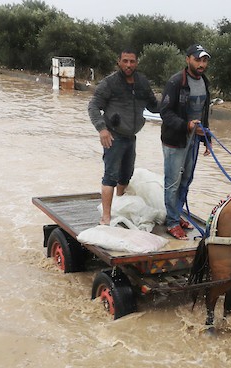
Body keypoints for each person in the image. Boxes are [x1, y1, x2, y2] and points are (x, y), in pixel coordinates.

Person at [87, 48, 158, 225]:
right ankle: (106, 217)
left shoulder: (141, 82)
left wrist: (171, 103)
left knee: (126, 175)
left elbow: (154, 106)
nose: (128, 65)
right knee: (110, 176)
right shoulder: (110, 83)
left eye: (132, 61)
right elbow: (93, 106)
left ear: (137, 63)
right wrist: (102, 129)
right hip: (113, 136)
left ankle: (120, 205)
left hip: (131, 136)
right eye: (125, 61)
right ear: (119, 62)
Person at [158, 43, 212, 239]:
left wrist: (207, 138)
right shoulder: (175, 82)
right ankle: (172, 222)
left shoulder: (204, 82)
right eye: (198, 59)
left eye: (204, 60)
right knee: (172, 181)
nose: (201, 64)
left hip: (195, 140)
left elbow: (204, 112)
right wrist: (186, 125)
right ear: (188, 59)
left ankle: (176, 213)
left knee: (187, 179)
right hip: (175, 139)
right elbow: (165, 112)